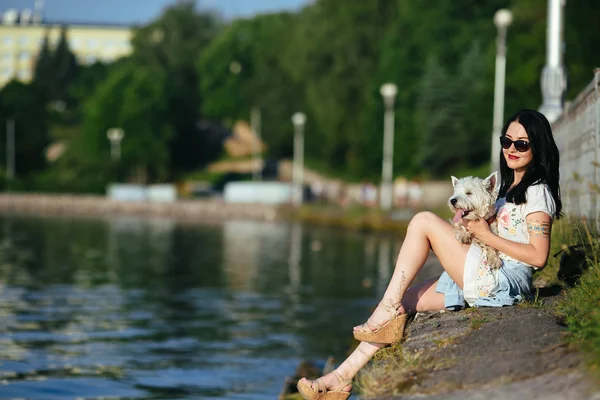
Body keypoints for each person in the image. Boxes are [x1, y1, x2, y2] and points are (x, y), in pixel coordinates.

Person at [296, 109, 562, 400]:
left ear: (538, 146)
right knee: (405, 301)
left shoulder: (537, 193)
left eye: (522, 144)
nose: (511, 149)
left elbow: (538, 257)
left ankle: (385, 304)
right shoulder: (506, 189)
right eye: (507, 141)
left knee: (423, 221)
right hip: (484, 267)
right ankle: (340, 378)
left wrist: (485, 235)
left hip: (503, 281)